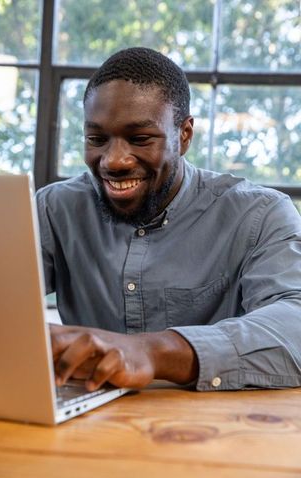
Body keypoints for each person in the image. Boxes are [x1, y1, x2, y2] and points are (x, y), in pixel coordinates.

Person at [36, 47, 301, 393]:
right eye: (97, 139)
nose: (113, 161)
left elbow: (294, 319)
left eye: (140, 139)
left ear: (184, 135)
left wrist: (153, 352)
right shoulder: (55, 209)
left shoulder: (260, 214)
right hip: (83, 421)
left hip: (215, 432)